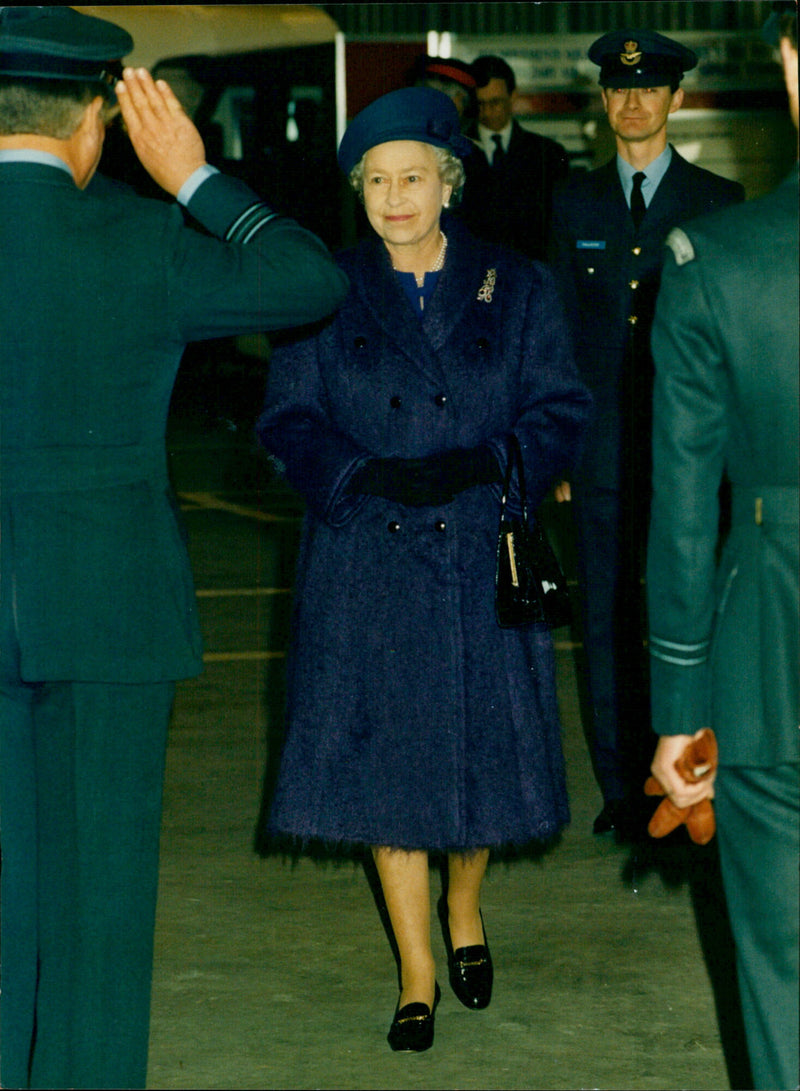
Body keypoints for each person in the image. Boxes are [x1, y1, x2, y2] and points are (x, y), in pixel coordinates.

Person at [0, 7, 348, 1089]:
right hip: (109, 609)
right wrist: (194, 179)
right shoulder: (143, 238)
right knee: (99, 912)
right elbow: (311, 280)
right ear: (98, 118)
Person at [257, 86, 591, 1053]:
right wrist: (360, 473)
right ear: (357, 190)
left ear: (448, 182)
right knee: (385, 769)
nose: (395, 198)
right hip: (368, 560)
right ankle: (414, 971)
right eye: (375, 181)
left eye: (412, 178)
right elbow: (285, 419)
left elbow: (562, 409)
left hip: (482, 557)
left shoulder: (515, 285)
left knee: (479, 761)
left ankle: (466, 906)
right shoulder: (323, 285)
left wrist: (490, 462)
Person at [646, 4, 799, 1087]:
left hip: (767, 669)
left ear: (789, 69)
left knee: (784, 971)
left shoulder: (719, 262)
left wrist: (675, 711)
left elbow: (681, 510)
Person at [549, 29, 744, 838]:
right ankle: (623, 791)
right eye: (619, 90)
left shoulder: (718, 203)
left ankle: (692, 783)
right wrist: (555, 447)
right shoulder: (574, 203)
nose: (633, 102)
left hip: (689, 454)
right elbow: (555, 334)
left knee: (689, 616)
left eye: (649, 89)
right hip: (597, 455)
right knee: (603, 620)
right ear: (603, 104)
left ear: (676, 100)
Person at [462, 54, 569, 261]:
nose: (487, 112)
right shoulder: (455, 153)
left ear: (513, 97)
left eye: (496, 102)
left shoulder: (548, 155)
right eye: (480, 104)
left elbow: (559, 229)